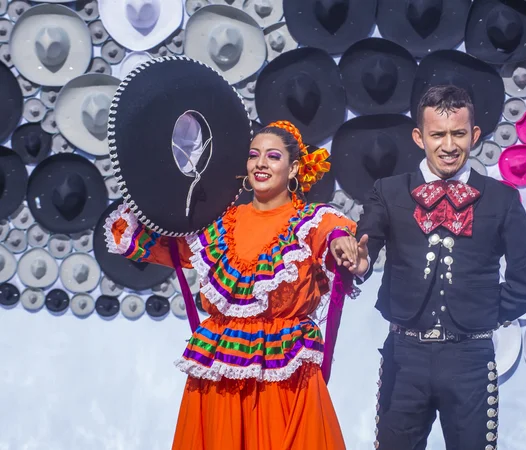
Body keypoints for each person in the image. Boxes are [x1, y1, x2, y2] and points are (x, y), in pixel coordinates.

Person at [104, 120, 359, 450]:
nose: (260, 163)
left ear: (294, 168)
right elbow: (170, 243)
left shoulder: (310, 221)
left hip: (283, 368)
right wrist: (152, 187)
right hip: (220, 368)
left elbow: (332, 233)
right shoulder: (220, 224)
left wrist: (341, 244)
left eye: (273, 156)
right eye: (254, 155)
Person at [335, 85, 526, 450]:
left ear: (475, 135)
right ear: (419, 137)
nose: (448, 145)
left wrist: (485, 313)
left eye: (458, 134)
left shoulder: (501, 198)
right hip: (405, 357)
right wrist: (360, 262)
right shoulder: (389, 191)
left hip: (470, 359)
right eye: (438, 134)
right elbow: (367, 242)